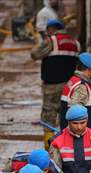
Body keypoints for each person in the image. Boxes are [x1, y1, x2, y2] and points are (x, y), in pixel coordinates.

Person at [31, 19, 80, 148]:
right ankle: (68, 147)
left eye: (48, 30)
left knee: (49, 117)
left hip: (52, 86)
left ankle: (50, 149)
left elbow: (34, 54)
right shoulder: (76, 43)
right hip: (70, 87)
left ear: (52, 29)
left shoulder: (51, 41)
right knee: (68, 116)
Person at [59, 52, 91, 130]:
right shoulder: (82, 86)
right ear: (88, 69)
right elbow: (76, 115)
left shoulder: (73, 81)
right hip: (80, 135)